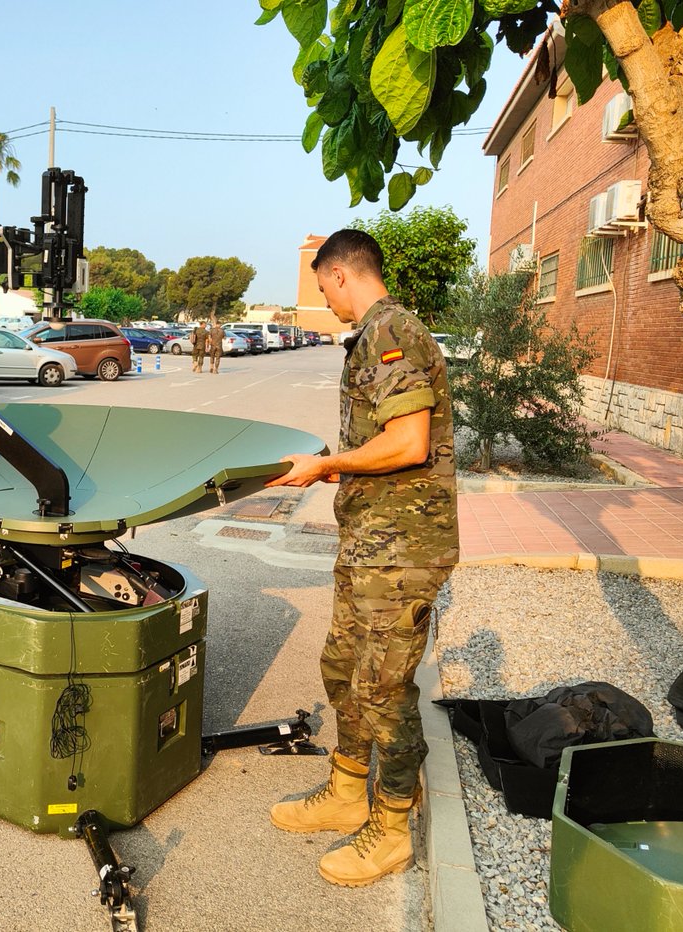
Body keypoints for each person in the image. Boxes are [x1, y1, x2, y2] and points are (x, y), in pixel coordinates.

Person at [265, 229, 458, 887]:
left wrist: (327, 465)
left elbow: (408, 442)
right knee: (343, 668)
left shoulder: (389, 329)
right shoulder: (374, 333)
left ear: (341, 275)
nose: (328, 302)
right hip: (372, 543)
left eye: (324, 290)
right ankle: (347, 789)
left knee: (383, 690)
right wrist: (334, 467)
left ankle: (392, 826)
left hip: (403, 550)